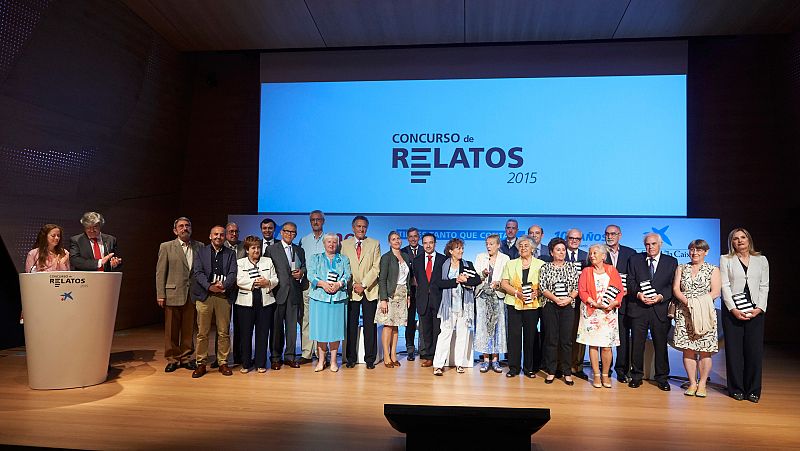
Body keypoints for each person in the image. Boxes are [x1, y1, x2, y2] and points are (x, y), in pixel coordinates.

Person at [720, 228, 769, 403]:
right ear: (731, 242)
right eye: (735, 238)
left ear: (749, 240)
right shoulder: (726, 259)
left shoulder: (761, 260)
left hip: (755, 310)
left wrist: (760, 308)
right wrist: (733, 309)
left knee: (754, 352)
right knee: (734, 352)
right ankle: (736, 389)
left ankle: (753, 390)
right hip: (733, 310)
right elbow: (724, 285)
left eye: (743, 237)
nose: (740, 241)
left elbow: (764, 286)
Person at [626, 232, 678, 390]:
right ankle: (636, 375)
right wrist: (639, 294)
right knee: (637, 344)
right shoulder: (635, 259)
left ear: (660, 244)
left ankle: (662, 378)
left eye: (653, 244)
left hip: (660, 309)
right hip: (639, 308)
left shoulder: (671, 262)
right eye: (647, 244)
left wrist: (661, 297)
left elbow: (672, 285)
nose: (650, 247)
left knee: (661, 345)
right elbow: (630, 281)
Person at [671, 239, 721, 398]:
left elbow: (716, 292)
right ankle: (692, 383)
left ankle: (702, 384)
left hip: (704, 313)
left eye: (699, 250)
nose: (695, 253)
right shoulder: (682, 268)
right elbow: (676, 289)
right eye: (692, 249)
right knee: (688, 349)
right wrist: (688, 303)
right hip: (684, 313)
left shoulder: (713, 269)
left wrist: (698, 304)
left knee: (705, 351)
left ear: (706, 252)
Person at [156, 217, 203, 373]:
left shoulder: (199, 246)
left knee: (189, 328)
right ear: (175, 230)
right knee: (171, 329)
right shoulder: (166, 247)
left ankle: (186, 357)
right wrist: (160, 294)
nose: (185, 228)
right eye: (181, 226)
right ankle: (172, 359)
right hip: (172, 293)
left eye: (187, 225)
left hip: (192, 294)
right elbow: (160, 272)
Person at [190, 226, 238, 378]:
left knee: (224, 332)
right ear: (210, 236)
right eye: (216, 234)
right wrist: (210, 286)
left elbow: (233, 273)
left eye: (222, 234)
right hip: (205, 296)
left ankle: (223, 362)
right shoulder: (201, 251)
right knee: (202, 332)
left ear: (225, 237)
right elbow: (197, 272)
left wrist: (223, 286)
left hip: (223, 296)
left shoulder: (230, 253)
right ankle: (201, 363)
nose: (219, 237)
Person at [577, 244, 624, 388]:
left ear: (603, 256)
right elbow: (582, 291)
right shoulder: (586, 271)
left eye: (595, 253)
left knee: (607, 347)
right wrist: (593, 303)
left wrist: (614, 303)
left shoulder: (612, 270)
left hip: (608, 313)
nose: (591, 255)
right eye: (590, 253)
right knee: (593, 345)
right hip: (592, 312)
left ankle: (605, 375)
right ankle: (596, 375)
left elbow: (620, 290)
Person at [432, 238, 481, 375]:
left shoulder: (467, 264)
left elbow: (476, 280)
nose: (461, 251)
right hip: (448, 306)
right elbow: (438, 283)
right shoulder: (442, 264)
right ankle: (438, 365)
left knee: (462, 334)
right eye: (458, 248)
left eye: (462, 248)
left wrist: (466, 280)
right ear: (450, 251)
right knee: (444, 335)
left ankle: (460, 363)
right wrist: (455, 281)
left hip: (464, 305)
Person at [500, 236, 545, 378]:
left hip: (533, 305)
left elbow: (545, 284)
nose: (523, 248)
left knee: (531, 336)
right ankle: (513, 368)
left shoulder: (541, 264)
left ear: (532, 249)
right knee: (514, 337)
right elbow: (504, 283)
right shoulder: (510, 263)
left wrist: (536, 293)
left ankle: (529, 368)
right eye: (521, 246)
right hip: (514, 303)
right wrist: (516, 293)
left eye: (526, 246)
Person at [308, 233, 351, 373]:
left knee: (335, 330)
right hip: (319, 298)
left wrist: (339, 284)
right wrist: (322, 284)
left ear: (338, 244)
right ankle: (321, 361)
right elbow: (310, 275)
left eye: (334, 242)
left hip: (338, 298)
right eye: (328, 242)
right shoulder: (315, 258)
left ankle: (333, 361)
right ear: (324, 243)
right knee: (321, 331)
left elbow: (347, 275)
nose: (331, 244)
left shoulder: (343, 259)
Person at [235, 235, 278, 374]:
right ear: (247, 250)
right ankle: (246, 364)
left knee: (262, 333)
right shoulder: (240, 262)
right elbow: (239, 280)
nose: (256, 250)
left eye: (258, 247)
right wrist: (254, 283)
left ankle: (261, 363)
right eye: (253, 248)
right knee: (245, 334)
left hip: (265, 302)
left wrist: (268, 283)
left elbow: (275, 278)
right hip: (245, 304)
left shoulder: (268, 261)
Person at [539, 237, 579, 385]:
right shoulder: (545, 268)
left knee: (566, 340)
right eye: (558, 250)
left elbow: (576, 287)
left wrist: (568, 299)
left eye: (563, 250)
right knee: (551, 339)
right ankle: (551, 371)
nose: (561, 252)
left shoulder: (572, 267)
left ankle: (567, 372)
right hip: (550, 306)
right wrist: (556, 299)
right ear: (551, 252)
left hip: (568, 306)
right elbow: (543, 288)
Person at [266, 222, 306, 369]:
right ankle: (275, 357)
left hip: (294, 293)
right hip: (277, 293)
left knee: (291, 328)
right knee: (276, 328)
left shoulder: (299, 250)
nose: (290, 234)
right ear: (281, 232)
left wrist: (301, 272)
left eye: (293, 232)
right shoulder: (271, 249)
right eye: (287, 231)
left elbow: (303, 266)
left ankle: (290, 356)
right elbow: (267, 270)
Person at [604, 224, 637, 382]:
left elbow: (634, 277)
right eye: (607, 234)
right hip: (604, 303)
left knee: (623, 337)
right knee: (605, 338)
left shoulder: (631, 253)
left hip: (625, 302)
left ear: (620, 235)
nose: (610, 237)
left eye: (613, 234)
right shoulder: (598, 252)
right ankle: (606, 369)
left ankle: (622, 370)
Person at [473, 234, 510, 373]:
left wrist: (499, 283)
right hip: (483, 297)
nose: (488, 246)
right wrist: (482, 274)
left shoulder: (505, 259)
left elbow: (508, 278)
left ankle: (495, 359)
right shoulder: (480, 257)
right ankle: (485, 359)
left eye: (491, 244)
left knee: (498, 328)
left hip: (498, 297)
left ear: (498, 245)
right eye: (487, 244)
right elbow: (475, 277)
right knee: (484, 327)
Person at [377, 231, 412, 368]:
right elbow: (382, 279)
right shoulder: (386, 257)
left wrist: (408, 294)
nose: (396, 241)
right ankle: (386, 355)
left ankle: (393, 355)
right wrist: (383, 299)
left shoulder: (405, 256)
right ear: (389, 242)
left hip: (402, 294)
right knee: (388, 325)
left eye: (398, 238)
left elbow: (408, 279)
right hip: (390, 294)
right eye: (393, 239)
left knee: (396, 326)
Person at [411, 233, 447, 367]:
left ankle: (439, 357)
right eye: (425, 243)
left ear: (435, 244)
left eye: (430, 242)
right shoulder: (417, 260)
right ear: (422, 244)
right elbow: (418, 280)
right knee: (426, 330)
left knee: (437, 330)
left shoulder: (443, 260)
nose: (428, 245)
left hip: (438, 300)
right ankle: (429, 356)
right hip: (423, 300)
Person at [300, 210, 327, 364]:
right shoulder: (304, 240)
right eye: (313, 220)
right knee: (307, 319)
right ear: (310, 222)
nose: (315, 222)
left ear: (323, 221)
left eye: (318, 219)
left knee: (322, 320)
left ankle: (321, 353)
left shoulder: (330, 239)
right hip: (308, 285)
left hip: (324, 286)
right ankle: (306, 353)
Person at [566, 228, 588, 377]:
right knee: (564, 335)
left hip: (581, 302)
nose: (574, 241)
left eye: (577, 239)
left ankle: (577, 367)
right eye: (571, 238)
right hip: (562, 300)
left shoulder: (586, 257)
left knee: (580, 335)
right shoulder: (559, 253)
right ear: (567, 238)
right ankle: (563, 366)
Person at [224, 222, 245, 367]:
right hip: (224, 290)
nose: (234, 234)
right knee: (223, 326)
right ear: (226, 233)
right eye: (231, 231)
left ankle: (239, 356)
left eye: (236, 231)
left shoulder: (244, 246)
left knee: (240, 325)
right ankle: (222, 358)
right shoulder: (220, 246)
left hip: (241, 290)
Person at [400, 227, 423, 361]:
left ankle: (424, 349)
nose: (413, 239)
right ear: (407, 238)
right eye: (410, 236)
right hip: (408, 292)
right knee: (410, 322)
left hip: (424, 291)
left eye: (415, 236)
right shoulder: (402, 252)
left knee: (424, 321)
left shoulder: (424, 250)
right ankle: (410, 349)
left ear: (418, 237)